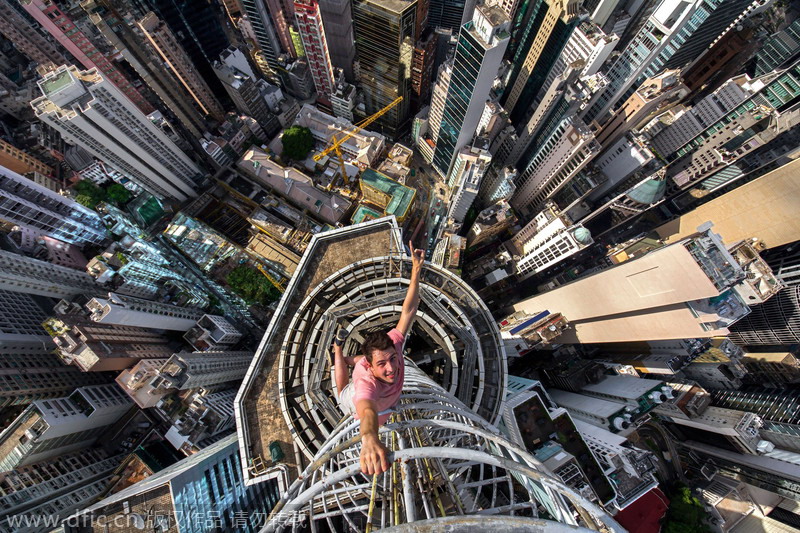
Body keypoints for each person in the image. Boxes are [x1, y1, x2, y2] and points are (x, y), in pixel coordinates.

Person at [331, 241, 425, 475]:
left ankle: (348, 357)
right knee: (342, 390)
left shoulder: (394, 341)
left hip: (380, 392)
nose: (391, 368)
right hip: (357, 398)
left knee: (358, 365)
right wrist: (370, 438)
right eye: (382, 364)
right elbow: (367, 410)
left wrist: (415, 271)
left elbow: (408, 310)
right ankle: (337, 351)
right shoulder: (366, 385)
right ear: (371, 367)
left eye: (392, 359)